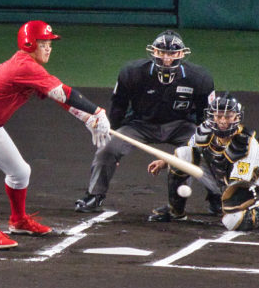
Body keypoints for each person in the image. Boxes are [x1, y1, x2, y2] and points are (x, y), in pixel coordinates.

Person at [0, 20, 111, 249]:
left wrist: (88, 118)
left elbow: (56, 96)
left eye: (50, 44)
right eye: (43, 43)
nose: (48, 48)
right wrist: (97, 112)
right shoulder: (25, 66)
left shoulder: (32, 68)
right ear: (29, 44)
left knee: (20, 172)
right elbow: (63, 93)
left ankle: (19, 220)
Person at [74, 30, 215, 214]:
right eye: (161, 52)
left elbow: (206, 115)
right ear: (153, 52)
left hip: (181, 126)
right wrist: (113, 135)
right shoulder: (132, 73)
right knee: (107, 149)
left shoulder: (199, 77)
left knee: (208, 150)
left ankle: (215, 197)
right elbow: (118, 106)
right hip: (140, 125)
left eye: (172, 53)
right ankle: (95, 195)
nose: (166, 58)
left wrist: (201, 141)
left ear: (181, 54)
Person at [147, 94, 259, 230]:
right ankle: (175, 211)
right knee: (181, 155)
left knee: (233, 222)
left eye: (228, 116)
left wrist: (227, 204)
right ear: (212, 116)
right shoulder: (204, 132)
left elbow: (239, 188)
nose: (223, 121)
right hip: (221, 180)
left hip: (252, 188)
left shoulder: (245, 145)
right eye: (218, 116)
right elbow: (188, 151)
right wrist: (165, 162)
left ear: (236, 117)